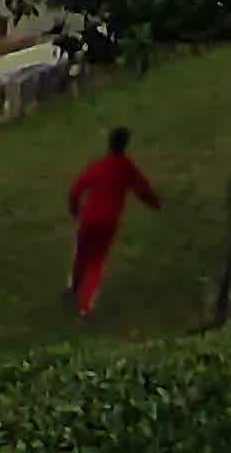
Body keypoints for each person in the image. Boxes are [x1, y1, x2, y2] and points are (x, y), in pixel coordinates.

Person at [66, 126, 164, 319]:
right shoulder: (127, 167)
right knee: (96, 261)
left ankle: (74, 289)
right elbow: (142, 189)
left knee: (81, 255)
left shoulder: (99, 165)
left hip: (88, 218)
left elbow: (76, 188)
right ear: (125, 144)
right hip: (108, 222)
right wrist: (155, 203)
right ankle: (85, 306)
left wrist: (75, 209)